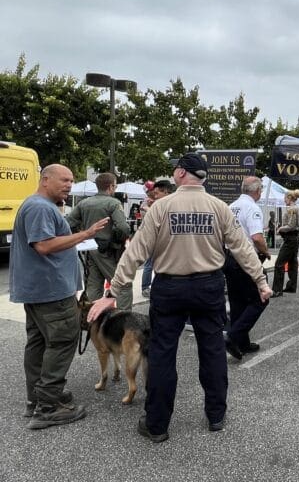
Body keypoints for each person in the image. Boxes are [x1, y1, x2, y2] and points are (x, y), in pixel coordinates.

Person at [86, 152, 271, 443]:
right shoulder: (218, 207)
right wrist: (260, 281)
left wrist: (113, 290)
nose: (173, 172)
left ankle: (157, 424)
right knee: (211, 350)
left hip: (170, 288)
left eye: (176, 169)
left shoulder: (162, 208)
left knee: (161, 354)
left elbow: (135, 251)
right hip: (208, 287)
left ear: (183, 173)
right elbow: (243, 248)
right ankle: (216, 415)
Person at [10, 164, 110, 429]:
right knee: (63, 340)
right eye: (64, 180)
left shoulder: (37, 205)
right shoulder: (41, 207)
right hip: (51, 292)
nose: (69, 184)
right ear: (45, 180)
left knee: (40, 343)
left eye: (71, 180)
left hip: (39, 290)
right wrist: (86, 234)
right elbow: (43, 245)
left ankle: (39, 398)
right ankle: (48, 407)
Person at [223, 176, 271, 360]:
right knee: (261, 299)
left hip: (229, 258)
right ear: (257, 191)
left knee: (237, 302)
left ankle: (242, 342)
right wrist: (265, 252)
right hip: (245, 259)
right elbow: (257, 237)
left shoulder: (231, 206)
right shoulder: (252, 208)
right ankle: (233, 337)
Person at [67, 172, 130, 302]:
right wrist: (117, 240)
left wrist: (80, 235)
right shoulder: (113, 203)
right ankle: (123, 317)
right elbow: (123, 228)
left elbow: (68, 223)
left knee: (93, 286)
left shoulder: (84, 203)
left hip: (90, 248)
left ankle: (91, 318)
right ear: (111, 187)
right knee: (123, 286)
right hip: (107, 250)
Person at [140, 179, 173, 298]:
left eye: (156, 192)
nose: (154, 195)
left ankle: (154, 285)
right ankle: (145, 287)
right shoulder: (148, 204)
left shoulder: (159, 203)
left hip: (160, 238)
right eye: (152, 192)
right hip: (152, 237)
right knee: (149, 263)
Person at [272, 189, 299, 297]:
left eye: (285, 198)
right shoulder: (298, 208)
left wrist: (280, 228)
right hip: (295, 238)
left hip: (290, 239)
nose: (284, 200)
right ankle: (291, 286)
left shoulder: (292, 209)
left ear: (289, 198)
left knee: (279, 264)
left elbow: (291, 226)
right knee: (292, 263)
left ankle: (277, 290)